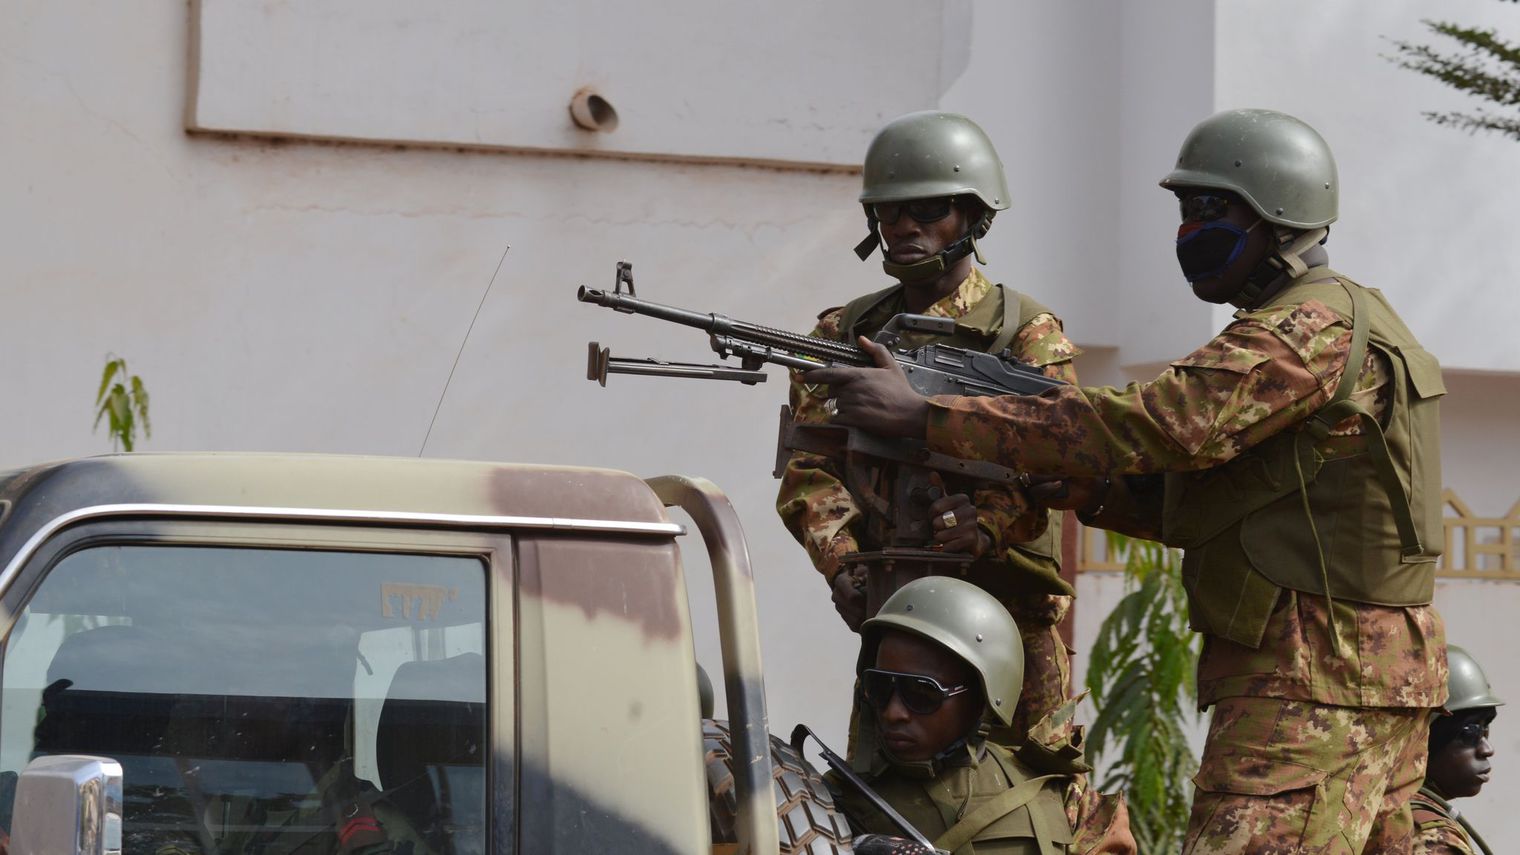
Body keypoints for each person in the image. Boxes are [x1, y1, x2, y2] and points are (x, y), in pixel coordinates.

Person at [808, 108, 1448, 852]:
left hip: (1309, 684)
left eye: (1211, 211)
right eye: (1184, 210)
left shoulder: (1302, 328)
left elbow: (1159, 424)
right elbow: (1222, 498)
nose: (1188, 231)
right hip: (1377, 677)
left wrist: (926, 418)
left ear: (1280, 214)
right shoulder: (1357, 315)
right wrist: (1083, 489)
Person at [776, 110, 1080, 749]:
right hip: (897, 614)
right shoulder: (843, 333)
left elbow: (1059, 463)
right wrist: (843, 565)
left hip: (1008, 612)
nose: (905, 227)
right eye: (889, 213)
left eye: (929, 208)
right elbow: (810, 468)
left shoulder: (1025, 333)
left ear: (974, 214)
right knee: (888, 803)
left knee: (1031, 803)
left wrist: (988, 523)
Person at [831, 576, 1133, 855]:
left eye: (922, 693)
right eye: (880, 687)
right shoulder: (829, 800)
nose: (894, 712)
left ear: (981, 698)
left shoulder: (1062, 799)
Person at [1411, 644, 1500, 855]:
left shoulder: (1379, 807)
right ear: (1421, 741)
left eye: (1485, 729)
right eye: (1469, 732)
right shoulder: (1433, 841)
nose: (1487, 749)